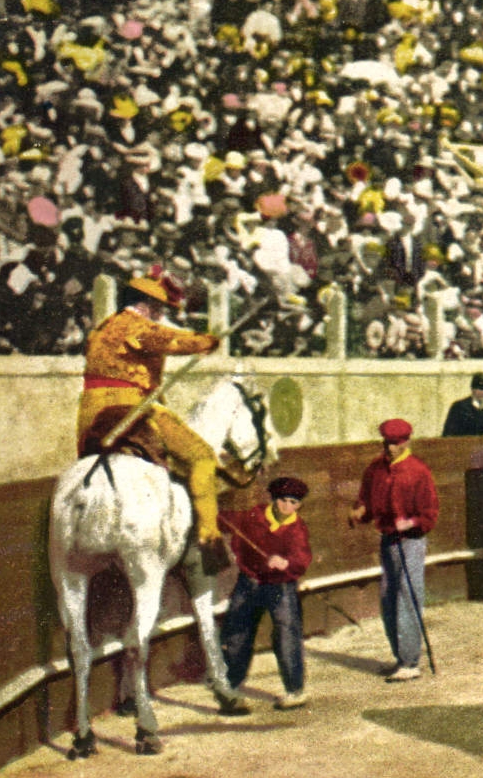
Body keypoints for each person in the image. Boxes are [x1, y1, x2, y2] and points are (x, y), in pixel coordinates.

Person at [76, 266, 224, 547]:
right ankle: (208, 534)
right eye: (160, 308)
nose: (162, 315)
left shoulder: (103, 328)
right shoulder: (138, 327)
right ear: (148, 305)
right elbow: (175, 340)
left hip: (88, 413)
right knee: (202, 455)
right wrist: (210, 341)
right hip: (130, 408)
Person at [349, 418, 439, 683]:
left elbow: (430, 514)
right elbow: (365, 501)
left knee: (407, 597)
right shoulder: (375, 469)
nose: (390, 448)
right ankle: (401, 658)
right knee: (388, 598)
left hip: (411, 541)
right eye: (387, 443)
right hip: (388, 540)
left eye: (396, 443)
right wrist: (358, 513)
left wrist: (411, 522)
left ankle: (411, 662)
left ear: (407, 442)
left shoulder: (418, 471)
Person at [219, 476, 314, 710]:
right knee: (237, 633)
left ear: (299, 505)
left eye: (293, 502)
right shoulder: (255, 515)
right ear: (274, 499)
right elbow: (228, 521)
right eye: (283, 500)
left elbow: (302, 557)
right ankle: (230, 684)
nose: (287, 507)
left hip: (281, 587)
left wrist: (287, 562)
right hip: (249, 581)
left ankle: (294, 690)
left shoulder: (297, 528)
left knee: (286, 635)